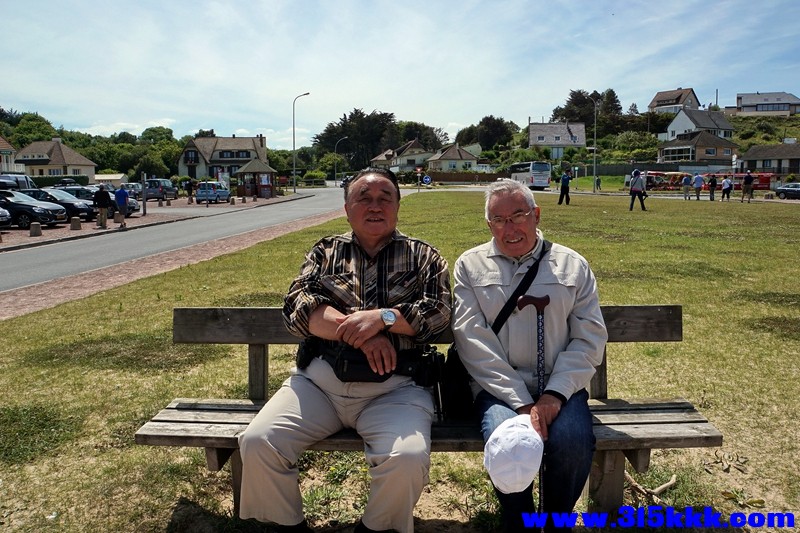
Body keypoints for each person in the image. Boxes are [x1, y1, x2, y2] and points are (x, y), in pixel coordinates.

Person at [238, 167, 452, 533]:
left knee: (407, 458)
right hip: (320, 383)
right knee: (259, 442)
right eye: (363, 198)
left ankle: (375, 529)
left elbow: (439, 312)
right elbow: (298, 307)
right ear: (346, 208)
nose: (375, 206)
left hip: (396, 388)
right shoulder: (325, 251)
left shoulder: (423, 256)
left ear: (399, 206)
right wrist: (364, 333)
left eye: (385, 198)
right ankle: (287, 526)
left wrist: (382, 317)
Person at [452, 179, 607, 533]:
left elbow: (589, 337)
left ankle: (555, 523)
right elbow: (472, 340)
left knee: (572, 442)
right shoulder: (470, 266)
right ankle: (518, 522)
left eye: (519, 215)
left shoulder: (572, 265)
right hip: (500, 391)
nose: (510, 228)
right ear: (488, 224)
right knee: (506, 442)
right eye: (499, 219)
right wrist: (522, 403)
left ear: (536, 214)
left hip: (561, 388)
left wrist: (554, 395)